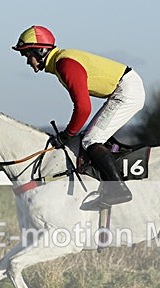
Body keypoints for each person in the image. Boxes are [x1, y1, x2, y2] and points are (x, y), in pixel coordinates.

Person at [12, 25, 145, 209]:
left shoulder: (64, 64)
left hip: (126, 90)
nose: (28, 62)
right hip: (123, 88)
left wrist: (67, 134)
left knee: (91, 140)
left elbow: (83, 108)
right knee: (90, 137)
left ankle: (118, 189)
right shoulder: (61, 62)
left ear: (40, 50)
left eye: (27, 55)